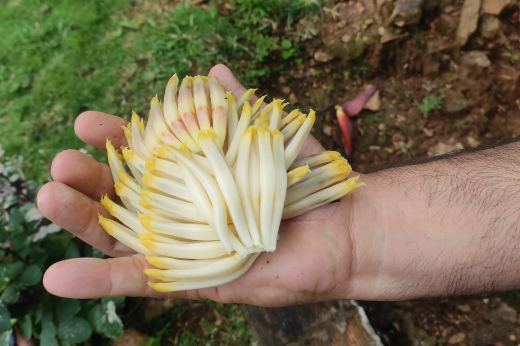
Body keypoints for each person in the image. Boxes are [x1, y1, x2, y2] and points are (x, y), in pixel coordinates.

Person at [37, 64, 520, 307]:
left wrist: (360, 227)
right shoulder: (180, 204)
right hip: (194, 237)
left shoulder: (246, 186)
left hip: (219, 230)